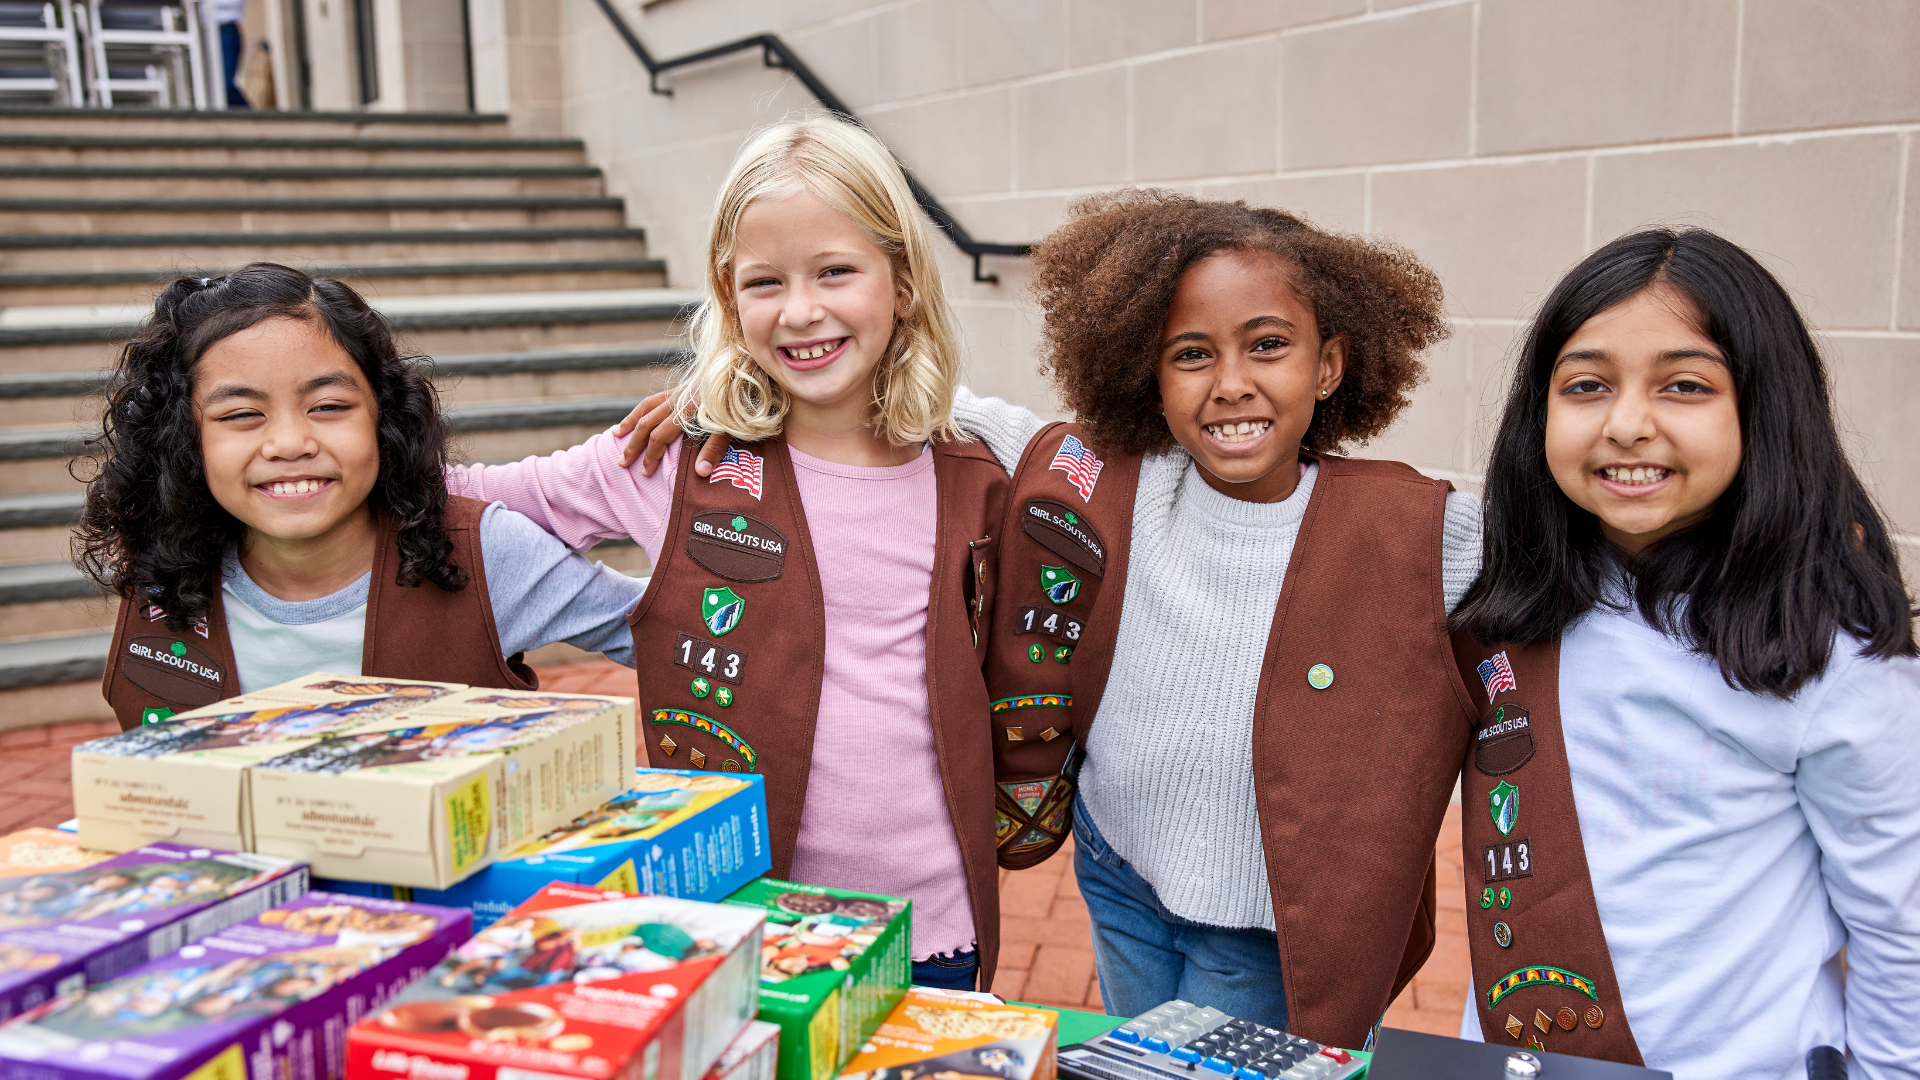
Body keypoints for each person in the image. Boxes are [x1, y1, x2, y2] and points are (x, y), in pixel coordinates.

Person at [626, 190, 1478, 1042]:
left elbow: (1564, 559)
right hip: (1121, 873)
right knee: (1139, 1053)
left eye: (1268, 346)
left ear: (1328, 365)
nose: (1231, 384)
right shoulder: (1106, 477)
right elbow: (890, 393)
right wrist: (734, 390)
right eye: (1190, 354)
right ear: (1146, 367)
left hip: (1263, 917)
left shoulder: (1418, 532)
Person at [442, 116, 1009, 992]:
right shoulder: (680, 461)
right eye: (765, 283)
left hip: (930, 920)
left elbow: (1082, 465)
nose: (801, 311)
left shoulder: (973, 470)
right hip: (735, 911)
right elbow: (483, 494)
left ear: (902, 283)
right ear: (728, 294)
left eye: (836, 272)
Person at [1449, 228, 1920, 1076]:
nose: (1629, 424)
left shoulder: (1828, 649)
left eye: (1685, 385)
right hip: (1512, 1058)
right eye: (1586, 385)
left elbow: (1901, 925)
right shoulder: (1506, 600)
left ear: (1763, 407)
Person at [75, 262, 644, 730]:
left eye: (328, 407)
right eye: (242, 415)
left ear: (385, 417)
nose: (290, 443)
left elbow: (666, 631)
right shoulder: (164, 571)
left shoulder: (484, 551)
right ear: (183, 442)